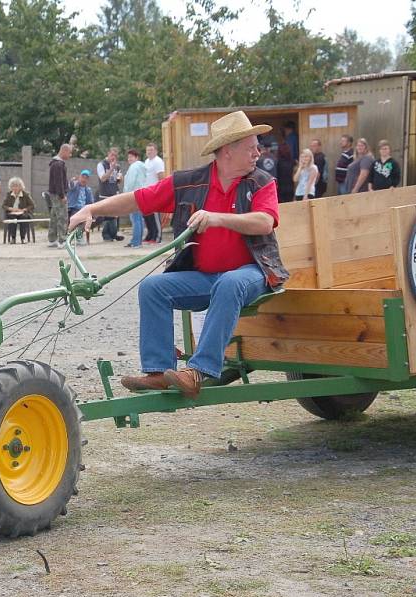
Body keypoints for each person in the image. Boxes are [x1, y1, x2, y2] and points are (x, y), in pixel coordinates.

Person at [69, 110, 287, 398]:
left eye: (257, 147)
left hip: (253, 273)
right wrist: (92, 209)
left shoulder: (261, 182)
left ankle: (199, 371)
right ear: (226, 151)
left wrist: (218, 218)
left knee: (230, 282)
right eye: (251, 147)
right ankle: (159, 371)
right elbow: (139, 199)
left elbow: (264, 221)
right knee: (152, 287)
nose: (258, 153)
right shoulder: (189, 181)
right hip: (207, 277)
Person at [97, 147, 124, 242]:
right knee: (108, 216)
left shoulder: (117, 166)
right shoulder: (101, 164)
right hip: (105, 193)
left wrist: (120, 178)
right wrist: (111, 169)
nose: (113, 157)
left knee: (115, 215)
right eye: (112, 155)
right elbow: (103, 178)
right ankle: (108, 235)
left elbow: (119, 181)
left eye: (115, 156)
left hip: (114, 193)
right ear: (108, 154)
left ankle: (112, 234)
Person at [47, 143, 71, 248]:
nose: (70, 155)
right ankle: (62, 240)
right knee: (62, 216)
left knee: (54, 216)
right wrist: (62, 195)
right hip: (58, 194)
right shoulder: (58, 164)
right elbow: (59, 181)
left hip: (53, 194)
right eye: (69, 153)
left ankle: (52, 239)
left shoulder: (55, 163)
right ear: (64, 151)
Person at [124, 149, 147, 248]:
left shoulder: (134, 167)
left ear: (136, 157)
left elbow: (130, 182)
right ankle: (137, 240)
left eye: (131, 157)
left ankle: (136, 242)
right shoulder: (142, 167)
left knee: (135, 219)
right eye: (128, 157)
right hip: (141, 194)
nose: (129, 159)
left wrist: (126, 194)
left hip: (133, 195)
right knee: (139, 218)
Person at [143, 143, 166, 244]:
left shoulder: (158, 161)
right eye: (148, 150)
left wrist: (160, 191)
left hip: (155, 191)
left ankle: (157, 237)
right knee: (148, 215)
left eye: (151, 150)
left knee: (155, 215)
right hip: (146, 191)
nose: (149, 152)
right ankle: (150, 235)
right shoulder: (147, 161)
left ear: (156, 151)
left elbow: (161, 177)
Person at [3, 177, 35, 243]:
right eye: (13, 186)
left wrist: (24, 209)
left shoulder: (26, 194)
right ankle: (13, 238)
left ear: (20, 186)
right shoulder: (9, 195)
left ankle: (23, 238)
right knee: (12, 219)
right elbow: (3, 205)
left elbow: (32, 205)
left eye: (17, 186)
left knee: (24, 217)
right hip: (12, 213)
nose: (15, 188)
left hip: (22, 213)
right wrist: (10, 209)